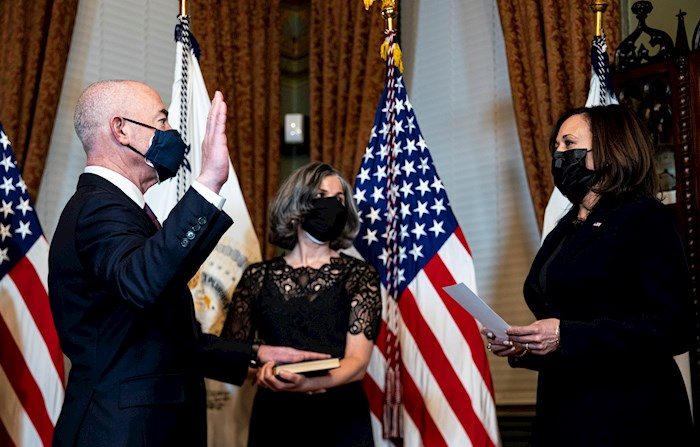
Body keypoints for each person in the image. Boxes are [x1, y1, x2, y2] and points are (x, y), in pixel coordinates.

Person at [49, 80, 328, 447]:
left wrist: (256, 353)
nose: (171, 133)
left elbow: (168, 339)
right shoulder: (99, 206)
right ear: (120, 129)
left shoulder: (122, 209)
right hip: (120, 433)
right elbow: (143, 282)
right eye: (161, 121)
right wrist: (210, 182)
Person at [484, 104, 696, 446]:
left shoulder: (643, 218)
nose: (558, 154)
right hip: (564, 412)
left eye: (569, 144)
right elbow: (566, 324)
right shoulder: (564, 229)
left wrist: (565, 335)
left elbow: (675, 327)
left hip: (629, 417)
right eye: (556, 146)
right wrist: (526, 348)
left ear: (610, 150)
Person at [221, 162, 382, 446]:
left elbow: (357, 362)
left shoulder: (360, 275)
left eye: (339, 199)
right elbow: (233, 352)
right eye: (321, 196)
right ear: (296, 204)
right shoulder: (257, 277)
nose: (332, 205)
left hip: (341, 420)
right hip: (276, 420)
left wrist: (310, 384)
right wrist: (261, 373)